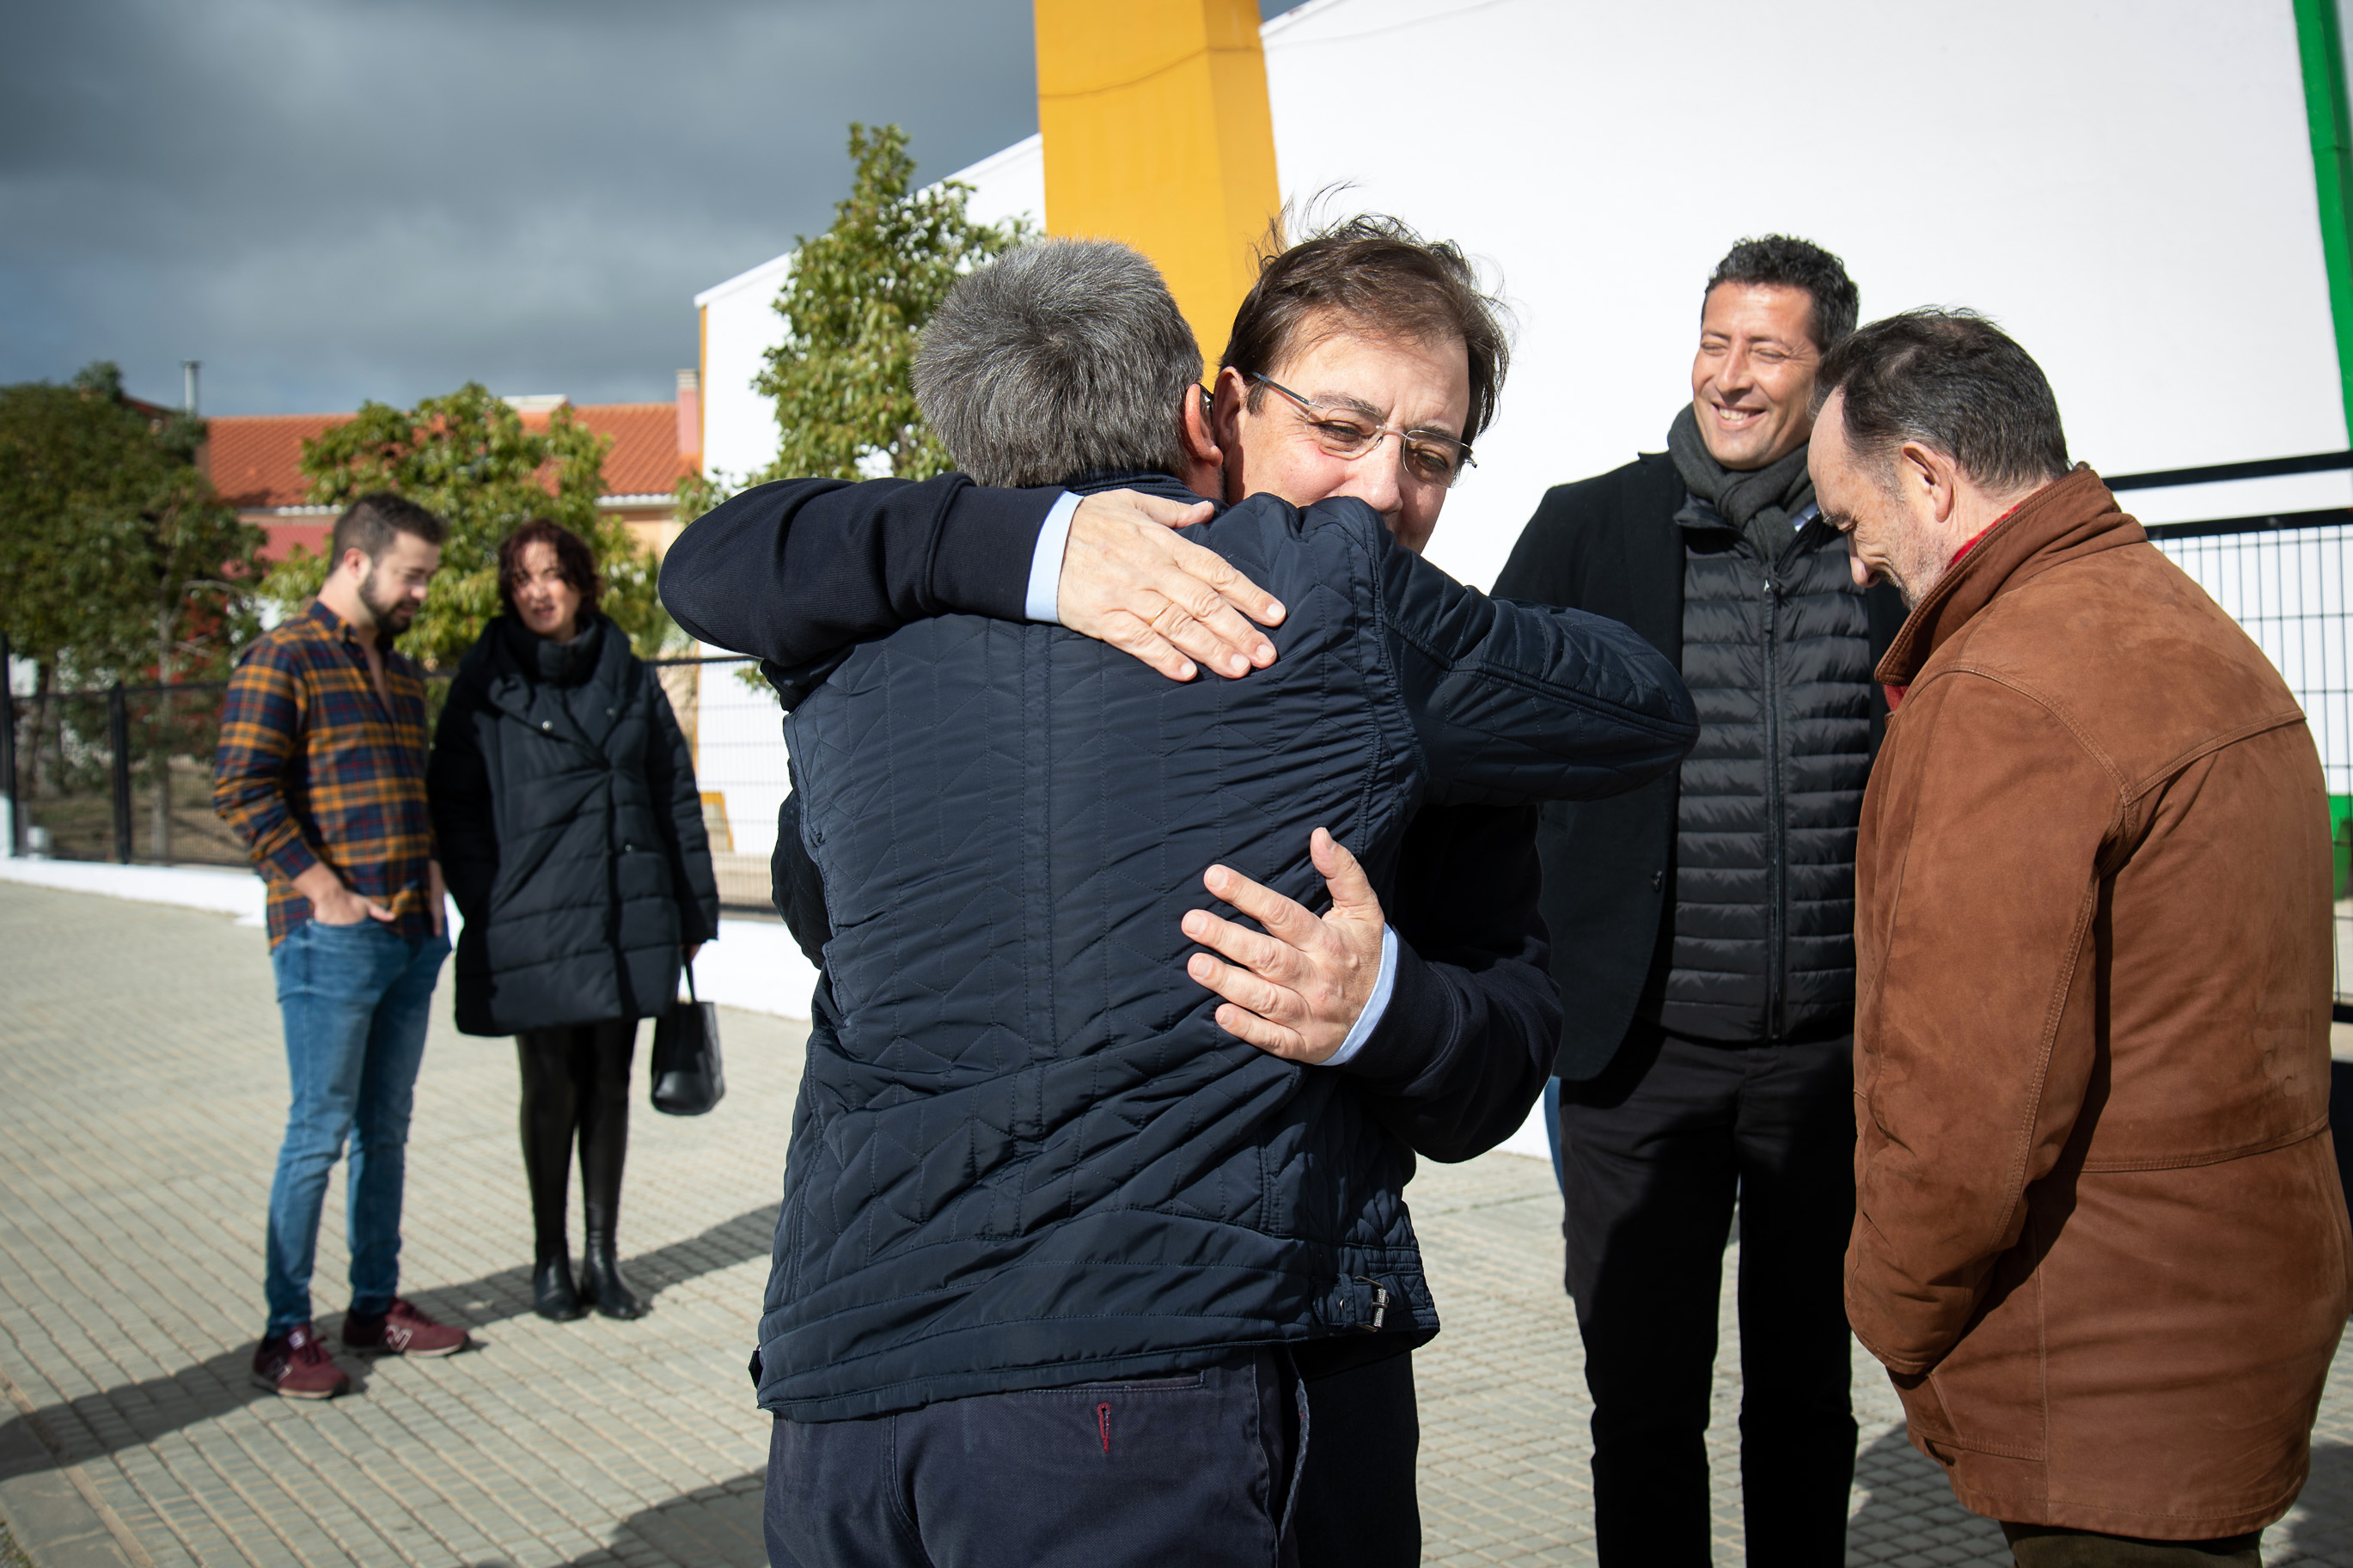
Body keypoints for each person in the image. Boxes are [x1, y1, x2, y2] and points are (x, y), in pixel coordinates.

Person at [662, 235, 1699, 1568]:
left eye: (1433, 456)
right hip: (1165, 1405)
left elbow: (805, 854)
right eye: (1339, 428)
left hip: (848, 1420)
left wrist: (1385, 1006)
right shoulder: (1342, 606)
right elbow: (1643, 705)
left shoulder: (851, 652)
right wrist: (1039, 545)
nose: (1381, 491)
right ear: (1211, 414)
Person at [1809, 308, 2352, 1565]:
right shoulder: (2175, 622)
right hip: (2223, 1323)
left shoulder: (2001, 691)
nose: (1854, 566)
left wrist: (1886, 1304)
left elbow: (1961, 1111)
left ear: (1928, 477)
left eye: (1851, 523)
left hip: (2106, 1360)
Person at [1488, 235, 1901, 1564]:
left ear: (1826, 370)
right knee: (1642, 1404)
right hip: (1632, 1059)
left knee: (1803, 1394)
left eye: (1765, 349)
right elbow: (1486, 745)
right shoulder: (1586, 525)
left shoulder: (1874, 545)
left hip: (1825, 1061)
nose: (1729, 377)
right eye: (1713, 340)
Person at [426, 520, 719, 1323]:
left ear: (582, 582)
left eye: (552, 574)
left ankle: (602, 1257)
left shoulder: (625, 672)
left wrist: (693, 907)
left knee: (611, 1090)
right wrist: (488, 897)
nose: (537, 591)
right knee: (549, 1090)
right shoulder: (486, 683)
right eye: (522, 577)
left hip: (627, 907)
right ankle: (548, 1260)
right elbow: (451, 801)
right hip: (537, 921)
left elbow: (672, 793)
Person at [213, 491, 471, 1400]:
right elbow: (242, 786)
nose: (421, 594)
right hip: (329, 941)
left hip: (409, 934)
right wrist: (321, 889)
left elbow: (415, 791)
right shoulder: (282, 656)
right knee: (316, 1134)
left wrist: (434, 879)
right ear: (356, 562)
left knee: (385, 1133)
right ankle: (287, 1329)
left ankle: (373, 1307)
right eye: (412, 575)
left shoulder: (398, 673)